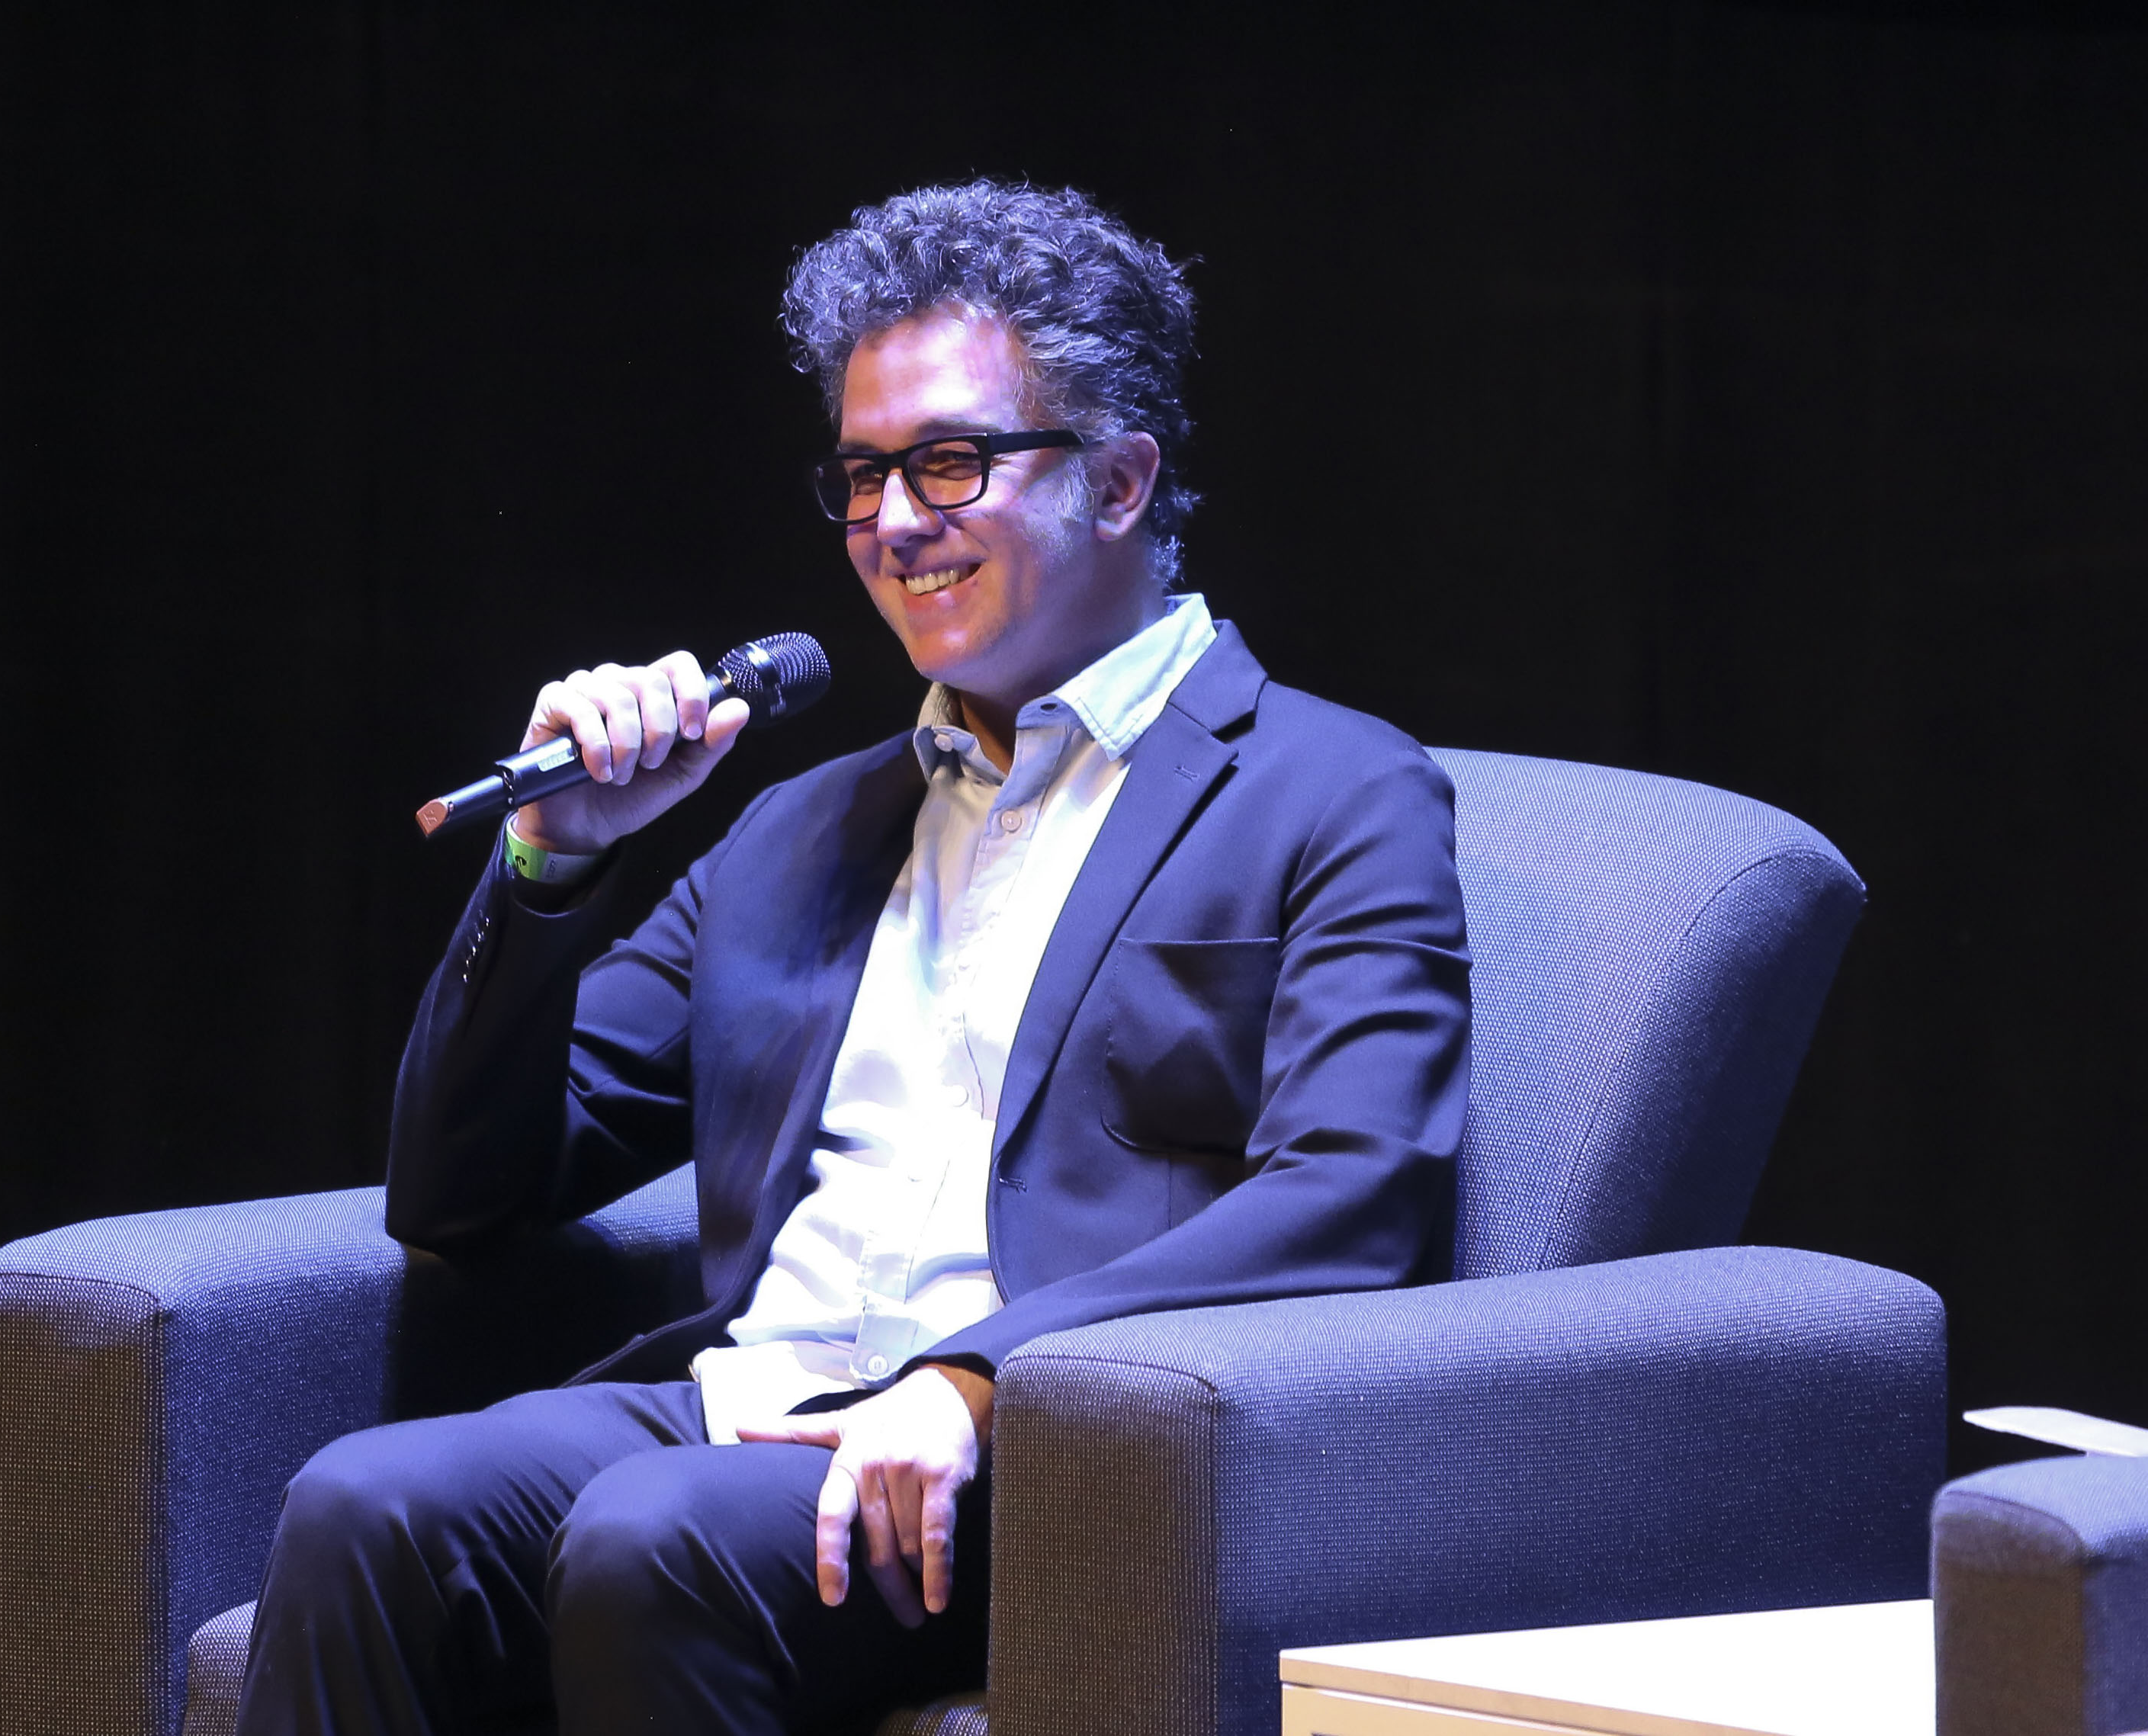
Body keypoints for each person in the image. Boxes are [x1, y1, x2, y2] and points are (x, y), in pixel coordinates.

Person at [236, 181, 1471, 1736]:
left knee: (651, 1538)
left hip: (1055, 1448)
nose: (892, 522)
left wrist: (978, 1376)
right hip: (757, 1394)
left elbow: (1359, 1193)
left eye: (950, 462)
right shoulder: (803, 829)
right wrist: (555, 858)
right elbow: (458, 1192)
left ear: (1118, 481)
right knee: (362, 1505)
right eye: (864, 472)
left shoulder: (1331, 787)